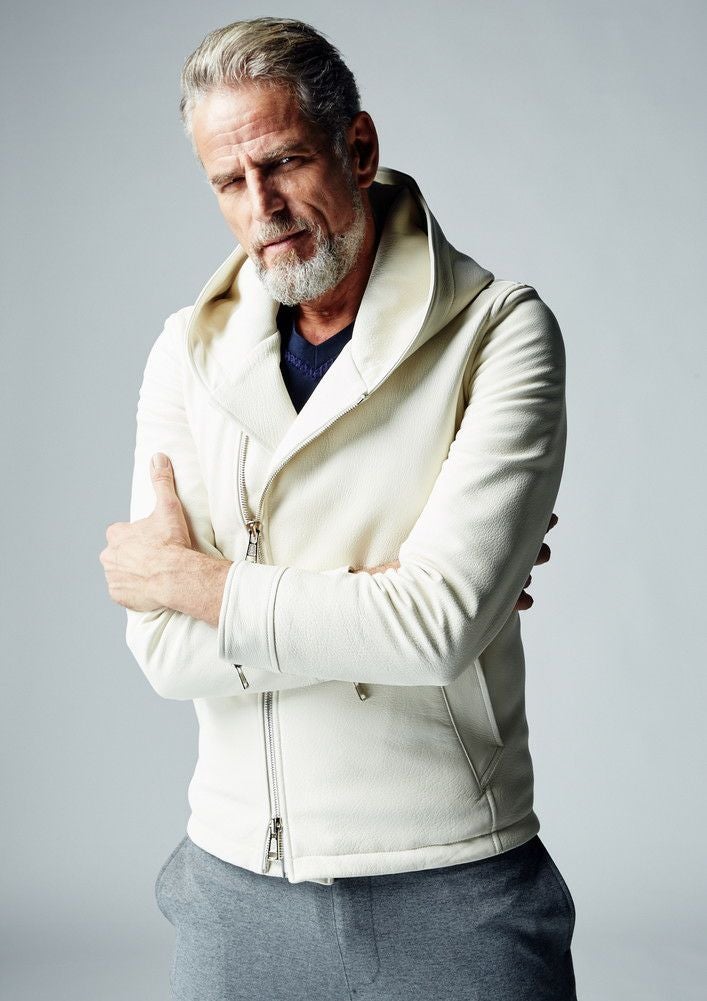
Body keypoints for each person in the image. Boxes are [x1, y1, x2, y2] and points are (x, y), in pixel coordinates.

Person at [100, 16, 577, 1001]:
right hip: (230, 887)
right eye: (228, 181)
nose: (261, 207)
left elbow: (432, 629)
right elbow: (164, 651)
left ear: (356, 148)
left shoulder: (499, 333)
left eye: (283, 162)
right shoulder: (184, 350)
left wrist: (196, 581)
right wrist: (371, 598)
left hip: (454, 882)